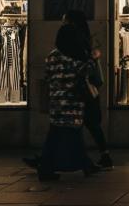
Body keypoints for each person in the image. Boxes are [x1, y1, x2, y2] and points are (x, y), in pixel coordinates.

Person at [37, 23, 98, 181]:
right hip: (72, 103)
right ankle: (83, 165)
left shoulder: (52, 56)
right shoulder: (72, 58)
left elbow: (48, 76)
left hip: (56, 102)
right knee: (73, 134)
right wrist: (93, 58)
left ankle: (50, 168)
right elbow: (85, 71)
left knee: (56, 135)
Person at [63, 10, 112, 169]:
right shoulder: (85, 40)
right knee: (89, 125)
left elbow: (83, 67)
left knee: (77, 126)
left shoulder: (76, 42)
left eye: (65, 20)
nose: (62, 23)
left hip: (83, 91)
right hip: (88, 91)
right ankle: (101, 156)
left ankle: (84, 159)